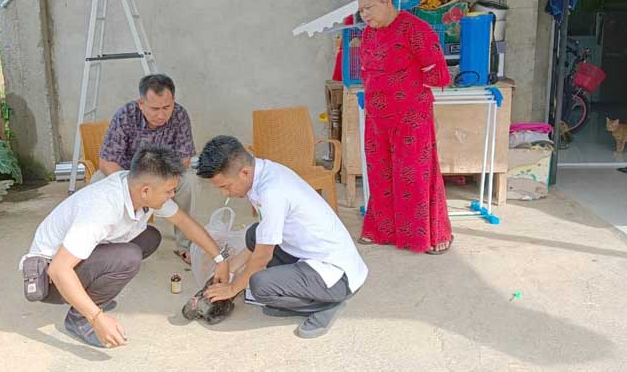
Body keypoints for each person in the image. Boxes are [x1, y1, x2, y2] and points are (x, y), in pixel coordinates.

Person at [22, 145, 230, 348]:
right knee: (129, 257)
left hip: (74, 258)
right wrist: (97, 318)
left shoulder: (134, 187)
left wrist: (219, 259)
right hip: (51, 279)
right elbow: (58, 270)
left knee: (149, 238)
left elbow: (185, 222)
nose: (172, 195)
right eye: (169, 191)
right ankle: (79, 319)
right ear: (146, 190)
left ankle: (93, 295)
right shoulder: (102, 209)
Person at [195, 135, 368, 338]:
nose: (226, 193)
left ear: (244, 172)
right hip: (316, 256)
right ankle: (304, 296)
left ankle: (326, 306)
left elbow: (261, 258)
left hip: (338, 277)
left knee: (260, 285)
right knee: (254, 233)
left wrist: (232, 288)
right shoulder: (261, 172)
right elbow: (259, 242)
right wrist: (229, 270)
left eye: (225, 186)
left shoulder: (272, 192)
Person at [356, 0, 454, 254]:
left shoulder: (415, 29)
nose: (365, 15)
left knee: (413, 175)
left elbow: (437, 73)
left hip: (411, 117)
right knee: (379, 174)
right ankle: (382, 230)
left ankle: (430, 235)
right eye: (361, 10)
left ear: (387, 1)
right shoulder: (368, 34)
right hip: (377, 117)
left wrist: (406, 88)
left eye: (369, 8)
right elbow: (366, 70)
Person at [94, 74, 198, 264]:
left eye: (167, 107)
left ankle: (184, 245)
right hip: (128, 175)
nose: (161, 114)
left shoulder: (180, 115)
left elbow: (183, 159)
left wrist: (162, 182)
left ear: (173, 101)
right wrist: (133, 184)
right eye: (155, 109)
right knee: (97, 180)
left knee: (189, 181)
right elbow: (107, 161)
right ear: (141, 103)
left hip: (165, 174)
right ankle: (101, 243)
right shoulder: (124, 115)